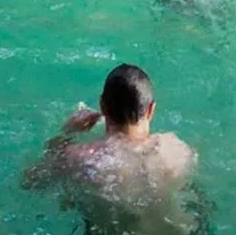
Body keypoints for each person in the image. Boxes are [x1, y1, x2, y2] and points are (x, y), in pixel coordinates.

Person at [29, 63, 196, 229]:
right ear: (151, 110)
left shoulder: (78, 158)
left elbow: (30, 182)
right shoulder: (177, 150)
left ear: (102, 105)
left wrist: (66, 133)